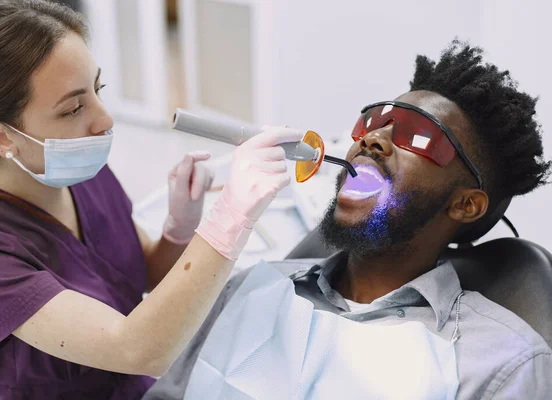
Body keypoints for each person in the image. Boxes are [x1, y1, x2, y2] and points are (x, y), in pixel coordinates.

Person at [143, 40, 552, 400]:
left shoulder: (502, 364)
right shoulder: (246, 290)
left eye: (418, 135)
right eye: (374, 122)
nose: (371, 139)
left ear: (466, 205)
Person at [0, 1, 302, 398]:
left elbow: (144, 270)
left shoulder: (81, 173)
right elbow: (137, 349)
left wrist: (180, 228)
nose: (105, 120)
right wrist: (230, 217)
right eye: (74, 107)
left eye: (98, 90)